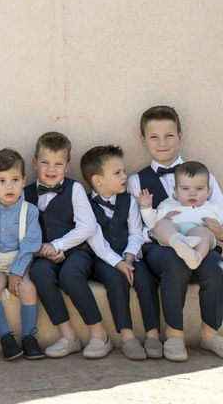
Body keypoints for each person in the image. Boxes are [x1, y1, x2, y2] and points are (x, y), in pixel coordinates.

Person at [127, 105, 223, 361]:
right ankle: (174, 336)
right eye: (154, 137)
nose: (162, 143)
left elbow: (220, 215)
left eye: (169, 135)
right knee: (175, 264)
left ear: (180, 135)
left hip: (200, 241)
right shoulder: (137, 181)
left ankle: (210, 334)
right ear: (143, 140)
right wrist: (158, 232)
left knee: (215, 266)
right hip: (160, 246)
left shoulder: (206, 176)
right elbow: (137, 228)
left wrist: (218, 233)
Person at [27, 132, 112, 359]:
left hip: (77, 251)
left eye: (58, 164)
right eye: (45, 162)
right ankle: (69, 337)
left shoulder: (73, 189)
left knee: (70, 276)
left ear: (67, 166)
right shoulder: (25, 193)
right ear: (35, 163)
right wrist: (41, 251)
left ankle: (99, 335)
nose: (51, 169)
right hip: (43, 255)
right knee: (39, 273)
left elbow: (88, 226)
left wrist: (58, 245)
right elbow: (21, 232)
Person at [80, 145, 149, 360]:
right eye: (117, 173)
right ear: (98, 180)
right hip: (102, 258)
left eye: (124, 171)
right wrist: (118, 263)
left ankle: (153, 333)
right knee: (116, 278)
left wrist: (129, 256)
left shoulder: (128, 200)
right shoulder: (85, 204)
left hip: (128, 254)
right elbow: (96, 241)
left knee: (145, 277)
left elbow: (137, 232)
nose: (125, 176)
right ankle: (128, 336)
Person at [0, 148, 44, 361]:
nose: (9, 186)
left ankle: (28, 337)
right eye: (2, 181)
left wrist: (18, 271)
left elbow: (30, 245)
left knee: (28, 288)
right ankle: (6, 338)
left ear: (24, 180)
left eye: (15, 179)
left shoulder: (30, 211)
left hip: (21, 264)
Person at [139, 161, 223, 270]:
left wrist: (218, 229)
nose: (192, 193)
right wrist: (146, 208)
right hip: (173, 236)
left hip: (199, 236)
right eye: (185, 188)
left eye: (199, 189)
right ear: (176, 191)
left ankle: (196, 257)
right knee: (162, 224)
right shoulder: (168, 204)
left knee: (201, 231)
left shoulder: (214, 207)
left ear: (208, 191)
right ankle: (178, 241)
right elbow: (152, 223)